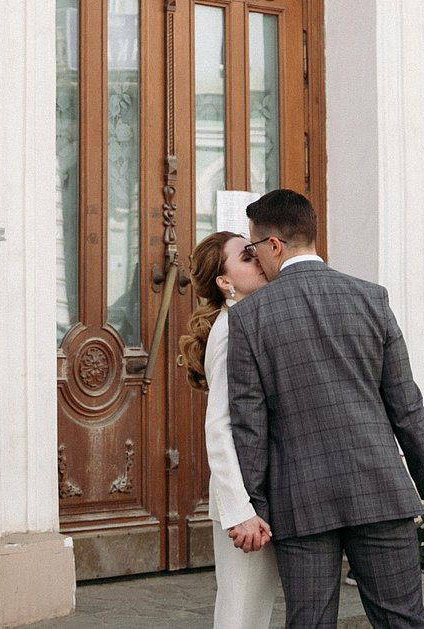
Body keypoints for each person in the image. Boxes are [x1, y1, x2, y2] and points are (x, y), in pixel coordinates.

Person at [224, 188, 424, 629]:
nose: (256, 260)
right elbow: (406, 407)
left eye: (255, 248)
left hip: (300, 500)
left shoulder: (249, 316)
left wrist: (253, 505)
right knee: (404, 621)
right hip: (379, 489)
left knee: (310, 623)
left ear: (274, 245)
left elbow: (248, 425)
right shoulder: (371, 298)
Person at [179, 230, 281, 628]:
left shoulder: (250, 319)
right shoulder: (229, 329)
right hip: (241, 500)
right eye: (245, 256)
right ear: (225, 282)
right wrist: (239, 511)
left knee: (254, 612)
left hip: (258, 495)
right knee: (240, 614)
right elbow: (219, 427)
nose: (257, 259)